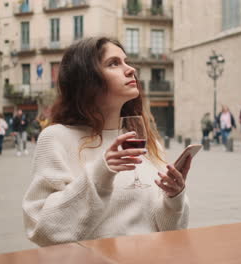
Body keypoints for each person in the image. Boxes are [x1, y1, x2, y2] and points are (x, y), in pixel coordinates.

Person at [22, 37, 192, 246]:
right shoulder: (56, 138)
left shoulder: (144, 141)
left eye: (126, 61)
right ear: (87, 79)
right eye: (114, 63)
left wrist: (173, 197)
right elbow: (43, 230)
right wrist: (101, 172)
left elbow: (171, 231)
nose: (130, 70)